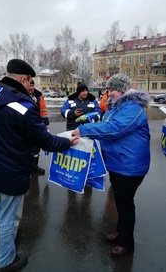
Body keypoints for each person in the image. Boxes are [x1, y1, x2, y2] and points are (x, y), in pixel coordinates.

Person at [0, 58, 78, 272]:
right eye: (30, 81)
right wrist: (67, 142)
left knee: (1, 212)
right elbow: (44, 140)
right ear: (23, 79)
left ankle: (6, 244)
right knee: (10, 219)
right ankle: (5, 262)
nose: (31, 86)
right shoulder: (22, 106)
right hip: (10, 171)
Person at [72, 73, 150, 257]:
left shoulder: (132, 107)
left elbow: (115, 129)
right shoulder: (117, 107)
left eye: (112, 89)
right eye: (108, 89)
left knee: (125, 203)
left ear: (122, 90)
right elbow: (105, 124)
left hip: (130, 165)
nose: (109, 93)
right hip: (118, 162)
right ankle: (120, 232)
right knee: (120, 202)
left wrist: (83, 130)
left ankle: (126, 243)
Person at [27, 79, 49, 174]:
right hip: (25, 126)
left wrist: (45, 122)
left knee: (36, 148)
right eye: (29, 86)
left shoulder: (39, 96)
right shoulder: (21, 95)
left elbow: (43, 110)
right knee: (26, 148)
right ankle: (26, 167)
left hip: (37, 125)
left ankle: (34, 166)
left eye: (33, 86)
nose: (31, 88)